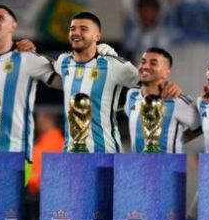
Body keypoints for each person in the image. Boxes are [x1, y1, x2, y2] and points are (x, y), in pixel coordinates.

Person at [0, 5, 57, 160]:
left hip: (14, 152)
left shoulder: (27, 58)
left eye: (0, 18)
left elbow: (64, 80)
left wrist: (42, 57)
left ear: (13, 26)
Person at [53, 12, 143, 153]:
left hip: (103, 154)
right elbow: (48, 66)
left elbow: (148, 85)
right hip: (70, 156)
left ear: (97, 36)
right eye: (72, 29)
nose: (76, 33)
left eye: (83, 29)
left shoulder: (113, 64)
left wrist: (121, 107)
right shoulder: (64, 61)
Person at [124, 48, 199, 153]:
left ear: (166, 72)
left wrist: (179, 141)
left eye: (153, 63)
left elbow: (202, 126)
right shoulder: (132, 95)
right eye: (143, 62)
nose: (145, 66)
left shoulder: (177, 100)